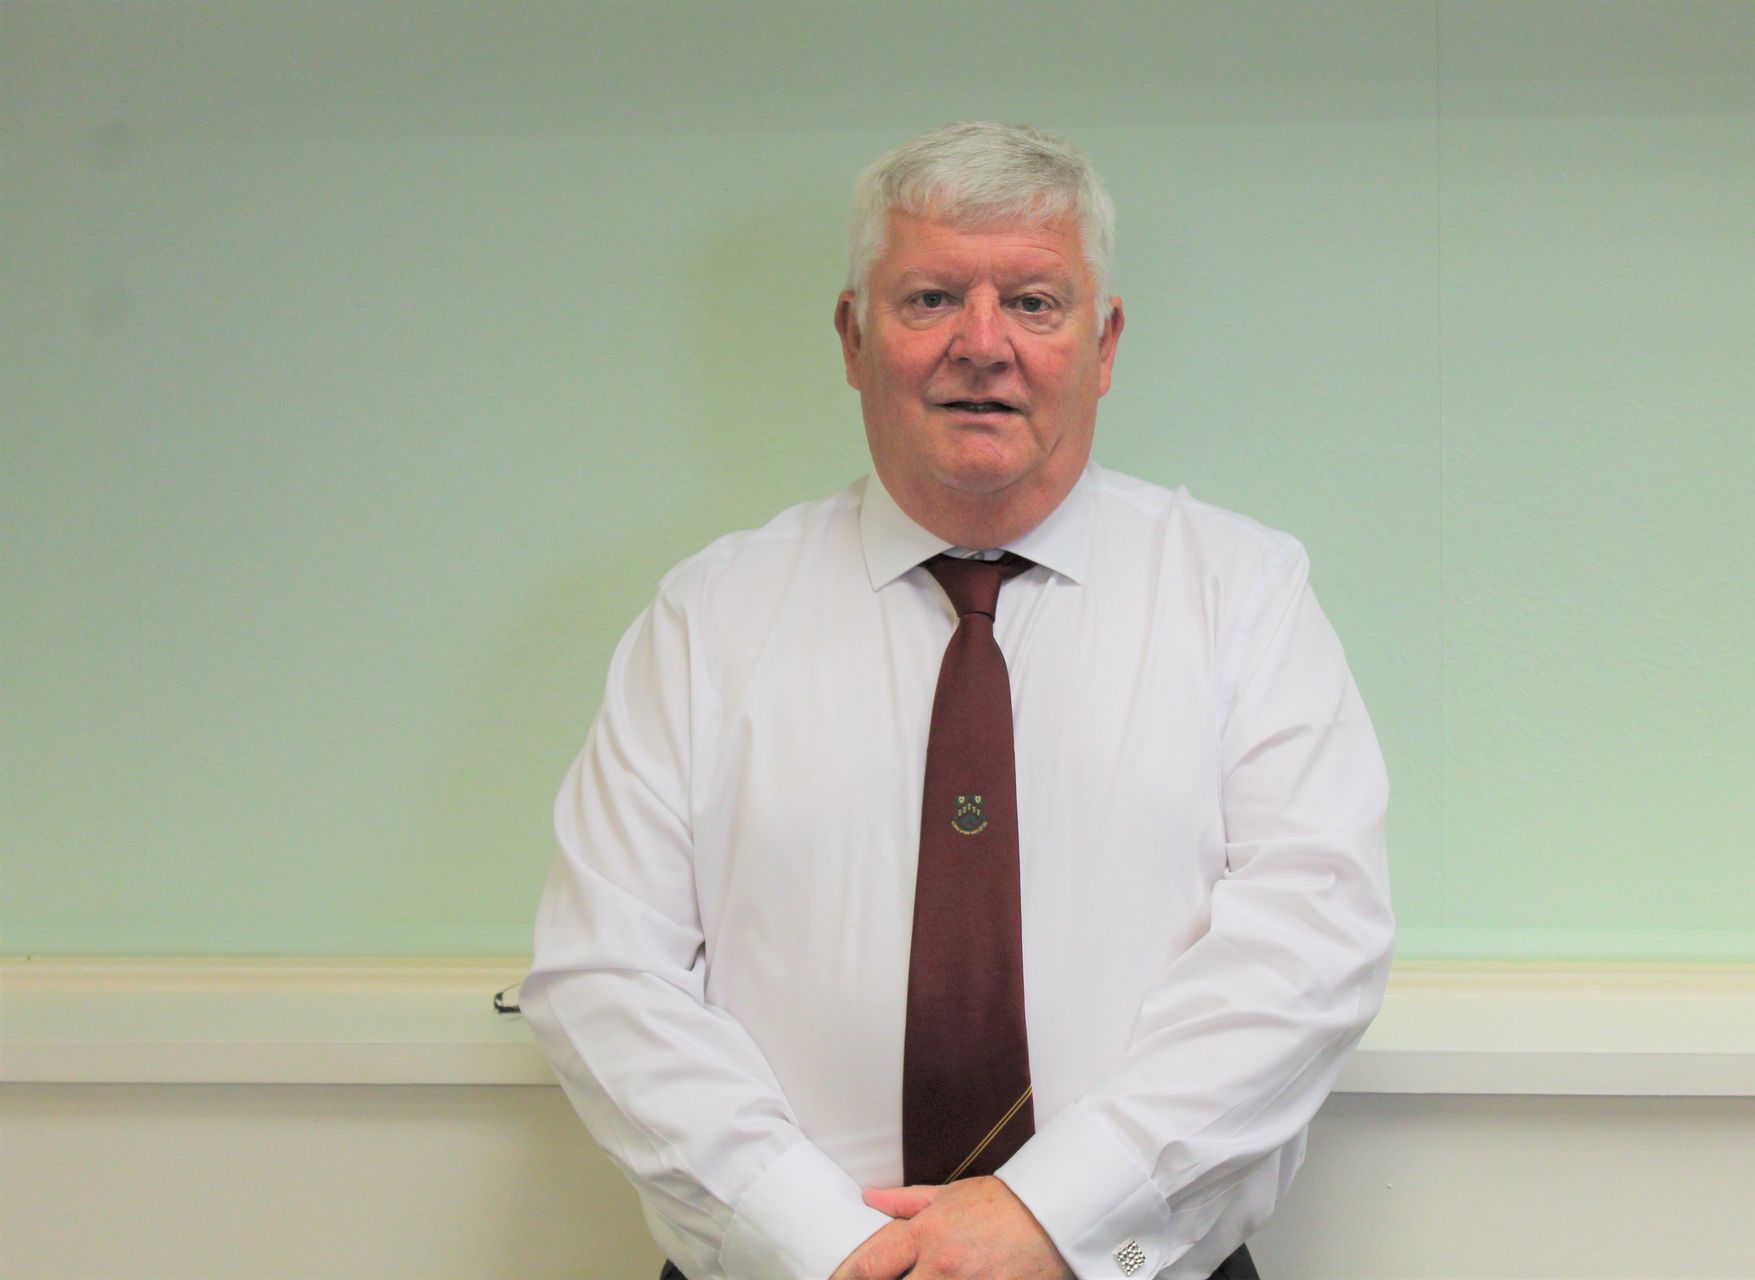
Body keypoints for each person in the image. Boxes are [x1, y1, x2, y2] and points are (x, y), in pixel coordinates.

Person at [521, 121, 1394, 1280]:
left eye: (1033, 303)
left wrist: (1052, 1216)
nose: (982, 346)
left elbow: (1311, 943)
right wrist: (821, 1239)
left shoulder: (1243, 593)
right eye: (931, 297)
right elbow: (603, 971)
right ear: (851, 334)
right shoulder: (708, 616)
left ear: (1106, 339)